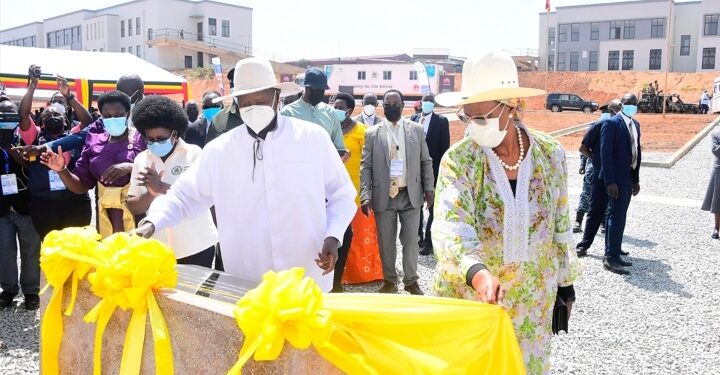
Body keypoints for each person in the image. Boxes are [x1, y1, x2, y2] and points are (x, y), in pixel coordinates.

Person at [132, 57, 357, 292]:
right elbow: (183, 197)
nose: (253, 108)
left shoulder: (312, 139)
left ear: (276, 97)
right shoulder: (220, 151)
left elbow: (341, 194)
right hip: (248, 280)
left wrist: (333, 235)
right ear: (236, 104)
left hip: (306, 274)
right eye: (246, 103)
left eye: (260, 100)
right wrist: (152, 222)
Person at [431, 50, 582, 374]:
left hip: (532, 303)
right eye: (466, 117)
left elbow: (560, 222)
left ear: (512, 106)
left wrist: (565, 284)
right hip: (474, 300)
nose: (472, 125)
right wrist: (478, 273)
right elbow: (449, 225)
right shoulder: (460, 161)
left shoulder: (549, 154)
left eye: (480, 117)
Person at [127, 96, 219, 266]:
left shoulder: (194, 154)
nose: (155, 143)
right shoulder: (141, 160)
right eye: (150, 139)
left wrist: (161, 186)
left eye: (161, 138)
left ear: (174, 134)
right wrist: (151, 194)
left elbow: (203, 197)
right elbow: (133, 206)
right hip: (158, 248)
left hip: (196, 245)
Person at [360, 89, 434, 295]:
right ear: (382, 107)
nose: (392, 107)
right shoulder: (372, 133)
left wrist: (429, 189)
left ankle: (411, 281)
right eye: (388, 104)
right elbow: (365, 166)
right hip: (384, 195)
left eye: (395, 103)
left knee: (411, 240)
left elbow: (425, 161)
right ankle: (390, 280)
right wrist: (365, 195)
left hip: (410, 194)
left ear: (403, 106)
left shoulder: (416, 130)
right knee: (386, 241)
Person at [40, 91, 144, 238]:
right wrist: (62, 170)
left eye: (118, 115)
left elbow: (159, 170)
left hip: (139, 214)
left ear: (127, 114)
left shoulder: (142, 138)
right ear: (101, 116)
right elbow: (81, 186)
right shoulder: (95, 142)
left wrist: (131, 167)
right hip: (106, 218)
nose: (113, 119)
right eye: (107, 116)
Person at [16, 68, 92, 240]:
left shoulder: (73, 136)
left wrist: (69, 97)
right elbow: (23, 114)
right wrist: (33, 85)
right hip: (44, 203)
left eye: (57, 114)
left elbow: (87, 122)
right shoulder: (34, 137)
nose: (52, 116)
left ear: (65, 120)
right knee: (52, 250)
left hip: (74, 201)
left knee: (77, 247)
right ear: (41, 123)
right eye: (48, 115)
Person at [331, 92, 383, 290]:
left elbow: (372, 162)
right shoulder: (329, 129)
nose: (336, 111)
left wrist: (368, 191)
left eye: (340, 107)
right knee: (338, 235)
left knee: (359, 237)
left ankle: (360, 274)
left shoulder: (363, 131)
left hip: (357, 192)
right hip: (334, 191)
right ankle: (338, 275)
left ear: (350, 110)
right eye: (334, 106)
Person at [0, 98, 42, 310]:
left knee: (31, 251)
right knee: (4, 251)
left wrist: (20, 158)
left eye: (10, 116)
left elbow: (35, 167)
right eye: (1, 116)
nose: (5, 120)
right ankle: (8, 290)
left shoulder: (27, 137)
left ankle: (31, 292)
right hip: (2, 210)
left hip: (26, 207)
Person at [601, 93, 642, 275]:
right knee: (615, 217)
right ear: (622, 105)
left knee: (620, 216)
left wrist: (636, 180)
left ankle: (615, 253)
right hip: (615, 179)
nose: (631, 106)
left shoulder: (636, 125)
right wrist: (610, 181)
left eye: (634, 104)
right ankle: (610, 258)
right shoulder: (611, 123)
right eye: (628, 103)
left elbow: (636, 153)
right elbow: (605, 154)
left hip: (627, 177)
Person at [576, 100, 622, 257]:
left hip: (618, 177)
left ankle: (613, 247)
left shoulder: (625, 126)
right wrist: (596, 161)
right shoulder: (598, 125)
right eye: (616, 109)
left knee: (614, 213)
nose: (618, 111)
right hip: (600, 176)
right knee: (595, 211)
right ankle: (583, 245)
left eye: (620, 109)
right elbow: (582, 148)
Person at [411, 92, 450, 256]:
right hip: (414, 171)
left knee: (433, 208)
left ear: (434, 104)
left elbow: (444, 148)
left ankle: (429, 242)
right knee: (415, 206)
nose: (427, 103)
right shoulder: (412, 120)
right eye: (425, 101)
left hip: (433, 172)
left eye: (430, 101)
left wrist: (442, 172)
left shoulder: (441, 121)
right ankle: (417, 239)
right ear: (421, 102)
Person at [280, 67, 345, 151]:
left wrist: (343, 154)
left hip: (324, 164)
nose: (320, 94)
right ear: (307, 88)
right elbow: (281, 147)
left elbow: (339, 147)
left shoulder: (331, 113)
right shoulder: (287, 113)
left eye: (322, 90)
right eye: (317, 90)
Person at [701, 126, 720, 239]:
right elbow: (716, 151)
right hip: (719, 170)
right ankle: (716, 227)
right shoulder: (716, 134)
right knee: (717, 200)